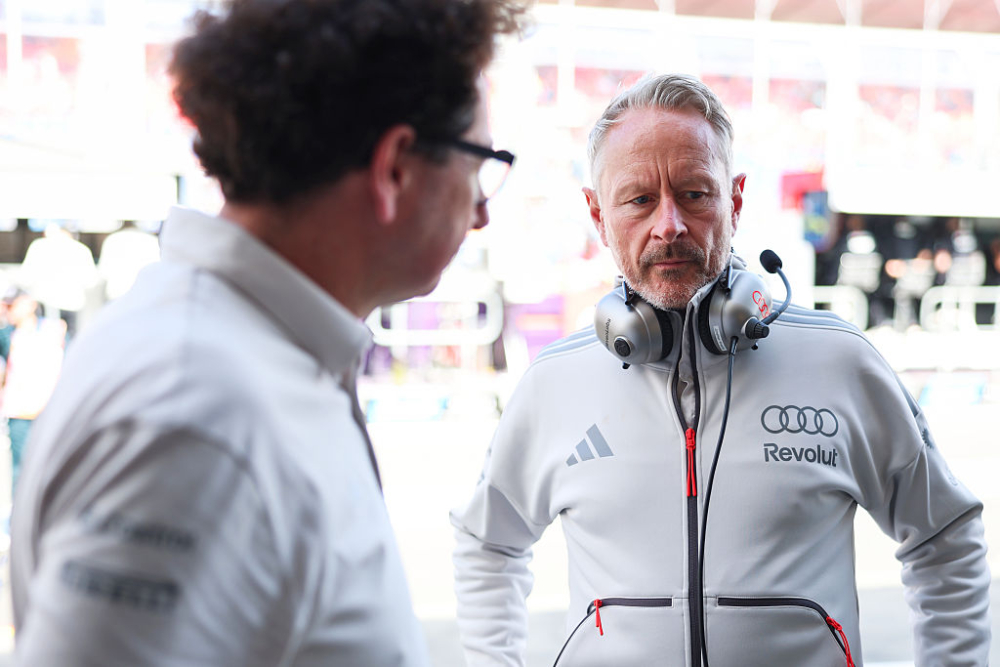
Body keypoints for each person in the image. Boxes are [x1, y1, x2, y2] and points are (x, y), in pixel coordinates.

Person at [11, 0, 526, 664]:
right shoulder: (199, 415)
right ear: (395, 166)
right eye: (479, 164)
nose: (482, 210)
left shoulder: (242, 355)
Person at [451, 74, 990, 667]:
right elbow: (488, 542)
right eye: (639, 200)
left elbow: (944, 536)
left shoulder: (840, 362)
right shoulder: (555, 383)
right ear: (597, 215)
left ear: (734, 200)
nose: (669, 224)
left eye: (694, 193)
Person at [0, 287, 66, 492]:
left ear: (29, 304)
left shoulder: (54, 330)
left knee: (51, 466)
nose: (9, 310)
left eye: (12, 305)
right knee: (21, 470)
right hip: (20, 413)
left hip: (49, 411)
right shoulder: (7, 335)